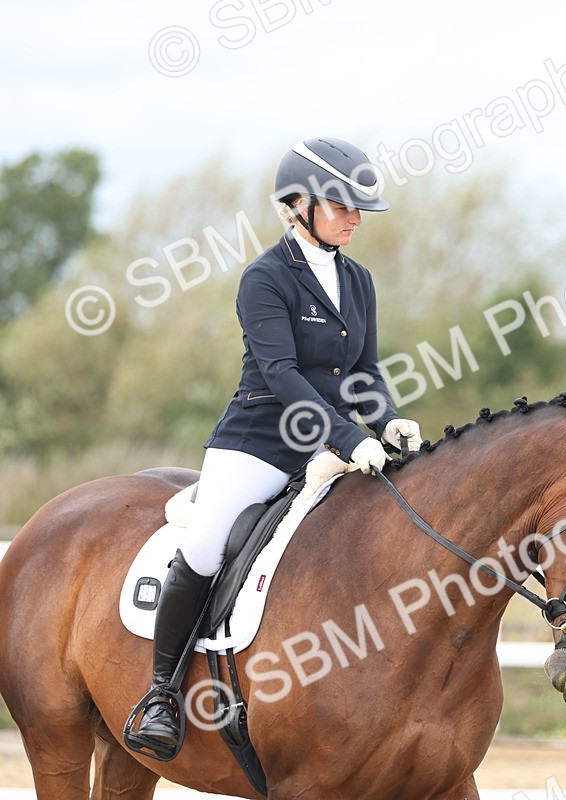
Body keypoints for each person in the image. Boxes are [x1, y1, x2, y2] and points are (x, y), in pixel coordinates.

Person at [129, 137, 425, 751]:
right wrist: (346, 437)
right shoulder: (264, 279)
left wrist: (387, 423)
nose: (355, 219)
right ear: (298, 206)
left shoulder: (359, 280)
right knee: (208, 546)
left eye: (357, 208)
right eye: (343, 207)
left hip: (334, 447)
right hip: (259, 443)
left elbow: (364, 372)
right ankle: (160, 693)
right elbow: (282, 374)